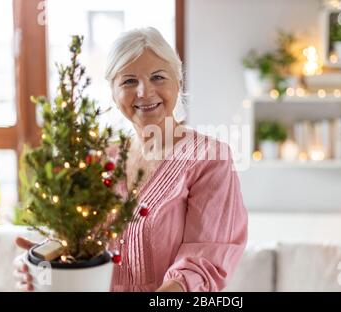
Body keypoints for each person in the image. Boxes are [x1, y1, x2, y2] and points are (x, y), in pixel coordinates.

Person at [13, 27, 247, 292]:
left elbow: (201, 265)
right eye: (129, 81)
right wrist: (39, 264)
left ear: (178, 82)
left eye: (158, 77)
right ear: (113, 92)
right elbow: (79, 243)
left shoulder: (209, 158)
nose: (145, 92)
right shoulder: (102, 160)